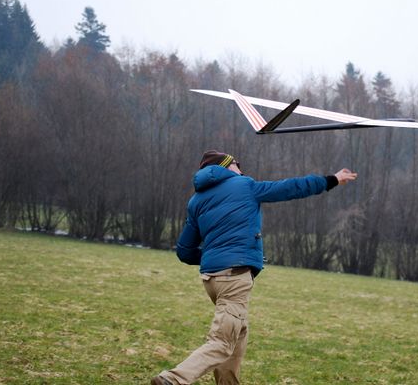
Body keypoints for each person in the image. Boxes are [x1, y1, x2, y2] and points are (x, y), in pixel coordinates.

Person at [151, 150, 357, 385]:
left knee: (238, 334)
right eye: (237, 163)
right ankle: (172, 379)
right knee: (221, 343)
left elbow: (184, 251)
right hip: (233, 278)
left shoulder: (196, 201)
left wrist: (215, 255)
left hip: (212, 280)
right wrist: (332, 180)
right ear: (228, 166)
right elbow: (290, 188)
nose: (241, 167)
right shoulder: (245, 185)